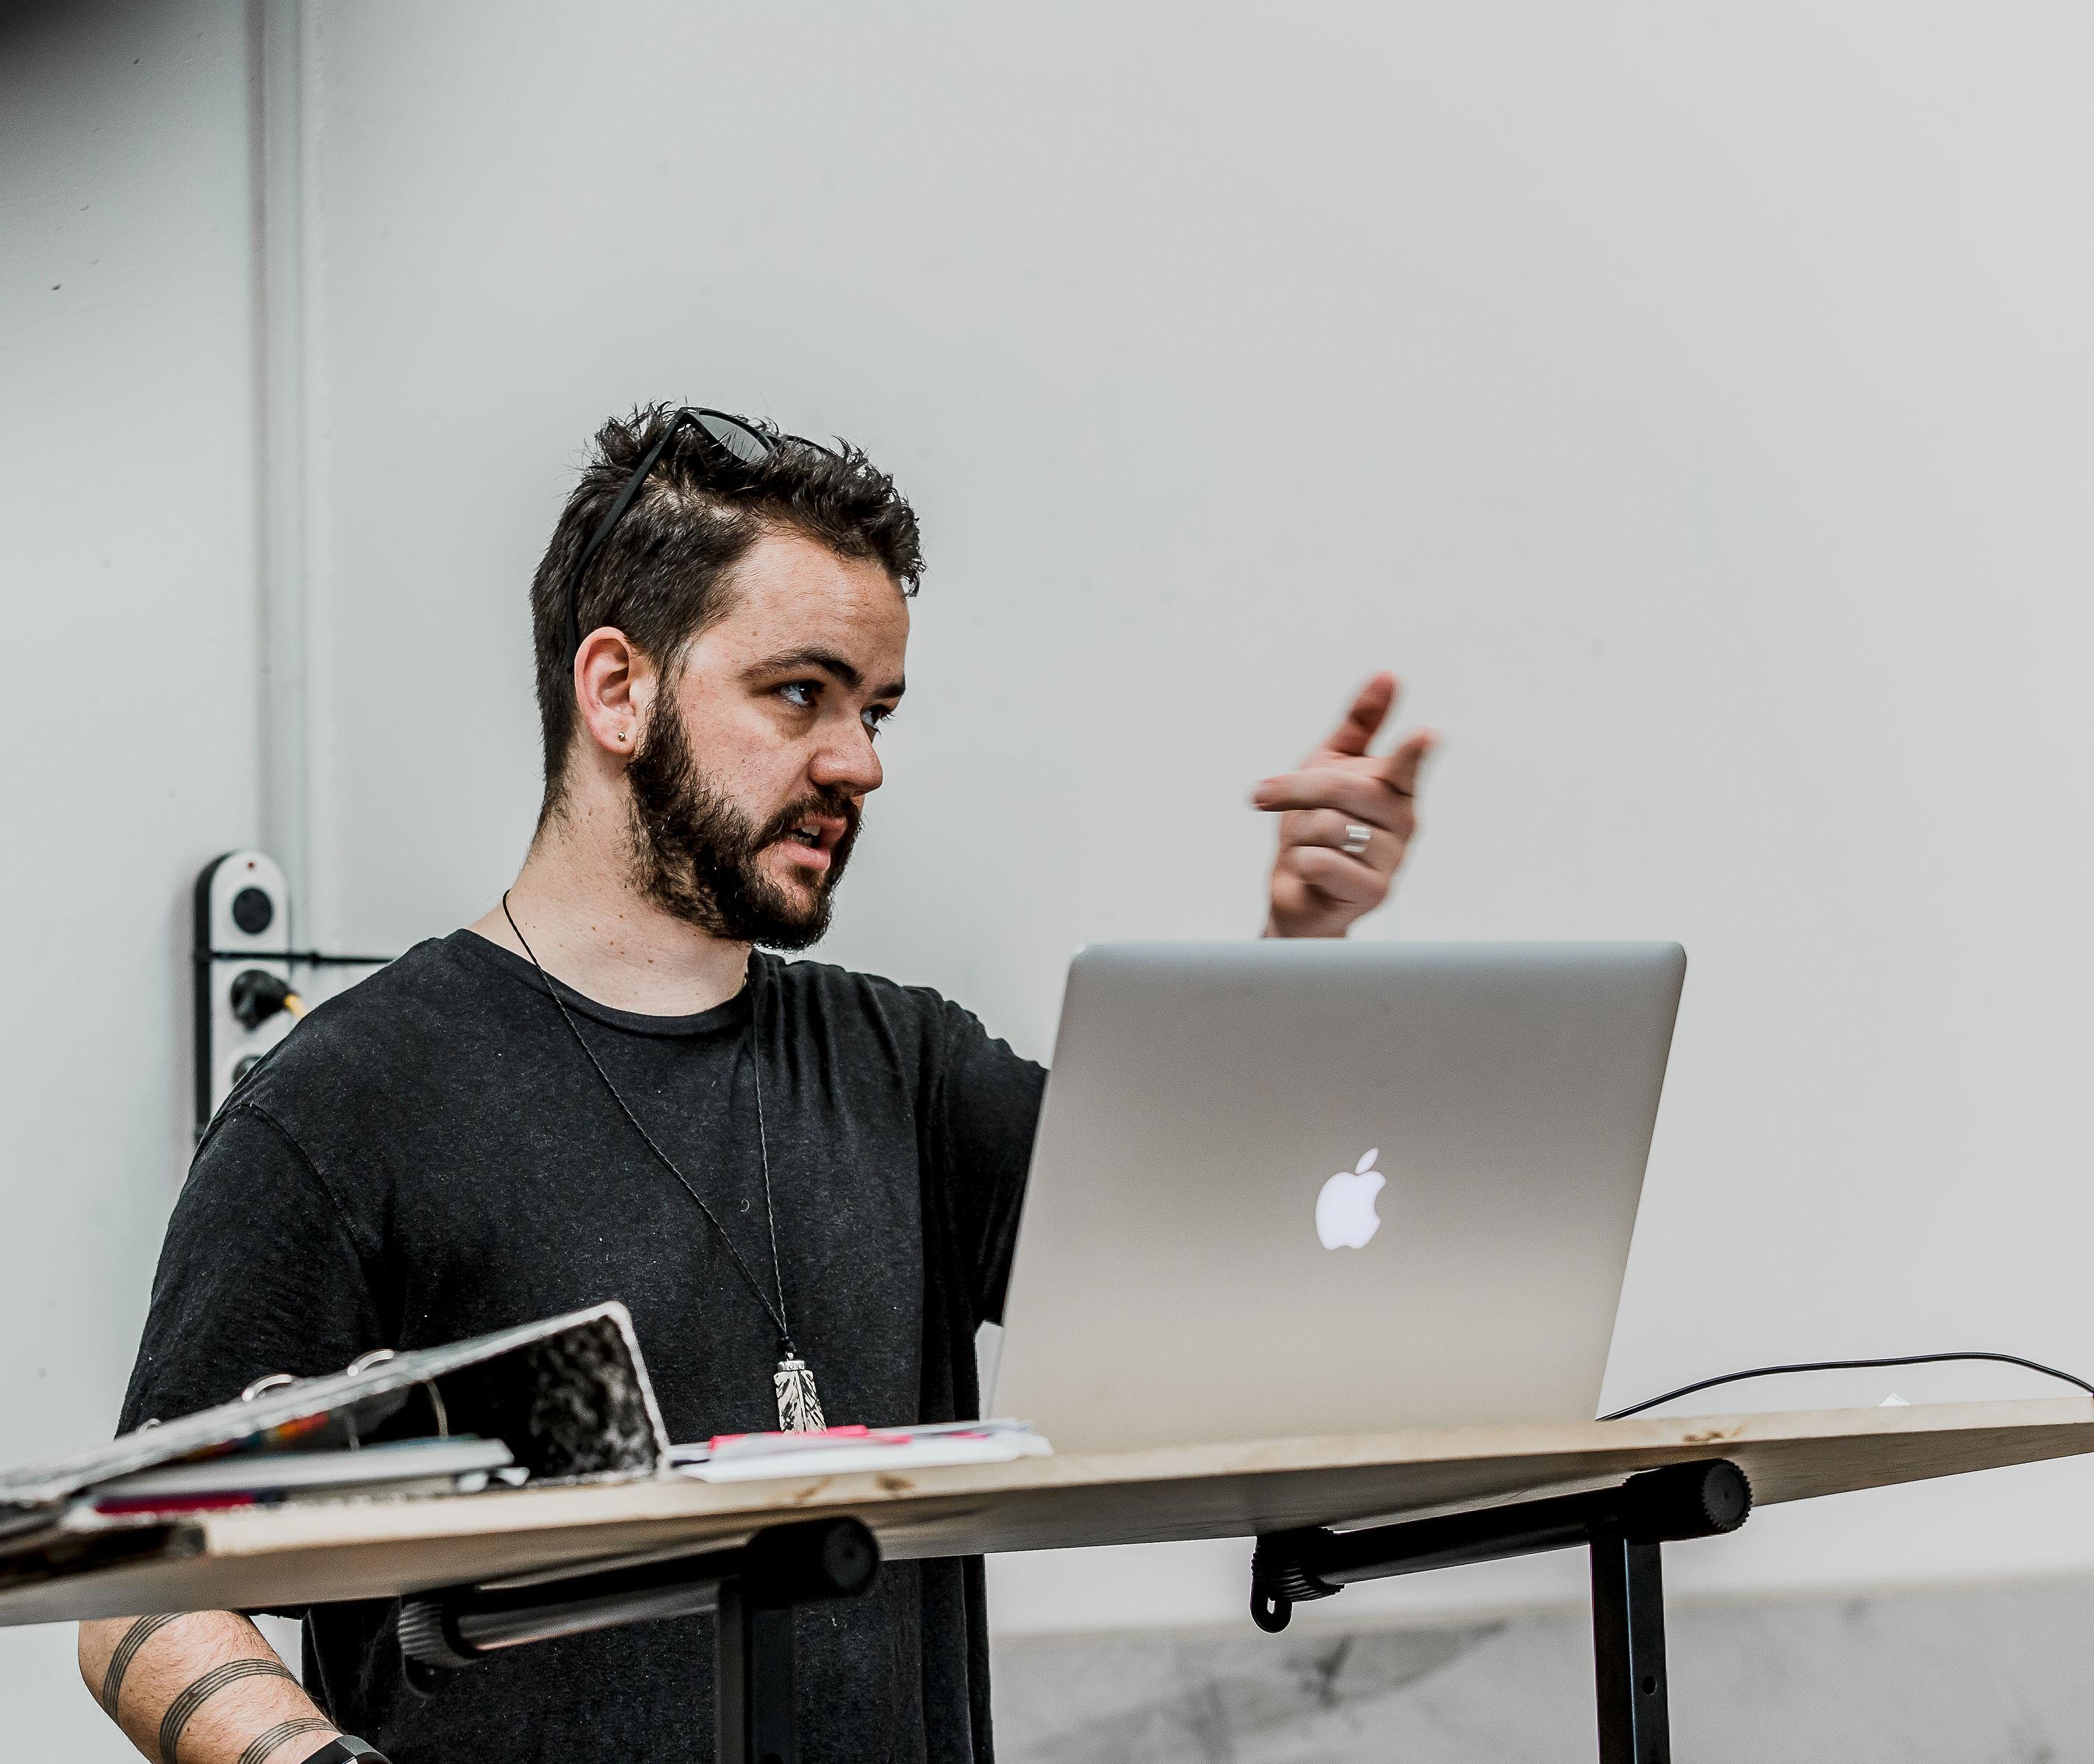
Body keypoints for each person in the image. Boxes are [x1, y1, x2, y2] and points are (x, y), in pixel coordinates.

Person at [76, 405, 1434, 1764]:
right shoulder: (351, 1102)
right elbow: (139, 1590)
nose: (860, 762)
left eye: (876, 709)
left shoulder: (909, 1070)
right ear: (617, 691)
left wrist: (1298, 955)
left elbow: (1201, 1256)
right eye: (802, 693)